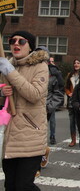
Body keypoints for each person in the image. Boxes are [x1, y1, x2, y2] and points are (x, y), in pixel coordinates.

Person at [0, 31, 49, 190]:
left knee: (24, 186)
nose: (16, 44)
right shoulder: (7, 66)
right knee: (11, 186)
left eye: (21, 41)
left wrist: (11, 73)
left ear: (30, 47)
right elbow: (4, 102)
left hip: (30, 137)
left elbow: (34, 95)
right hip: (10, 137)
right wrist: (1, 92)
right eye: (13, 41)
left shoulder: (40, 66)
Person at [35, 47, 64, 177]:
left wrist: (49, 107)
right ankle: (41, 152)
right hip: (29, 109)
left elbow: (59, 93)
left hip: (44, 109)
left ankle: (37, 166)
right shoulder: (29, 70)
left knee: (39, 136)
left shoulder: (54, 73)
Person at [65, 59, 80, 147]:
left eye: (78, 63)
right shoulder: (70, 75)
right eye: (75, 63)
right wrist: (69, 93)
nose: (76, 64)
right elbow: (66, 87)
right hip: (71, 101)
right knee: (72, 122)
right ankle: (73, 139)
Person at [47, 56, 64, 145]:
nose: (50, 63)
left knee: (52, 121)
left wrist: (52, 103)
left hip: (50, 102)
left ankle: (52, 136)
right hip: (41, 102)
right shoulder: (41, 72)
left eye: (52, 61)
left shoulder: (56, 73)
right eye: (49, 61)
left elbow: (59, 88)